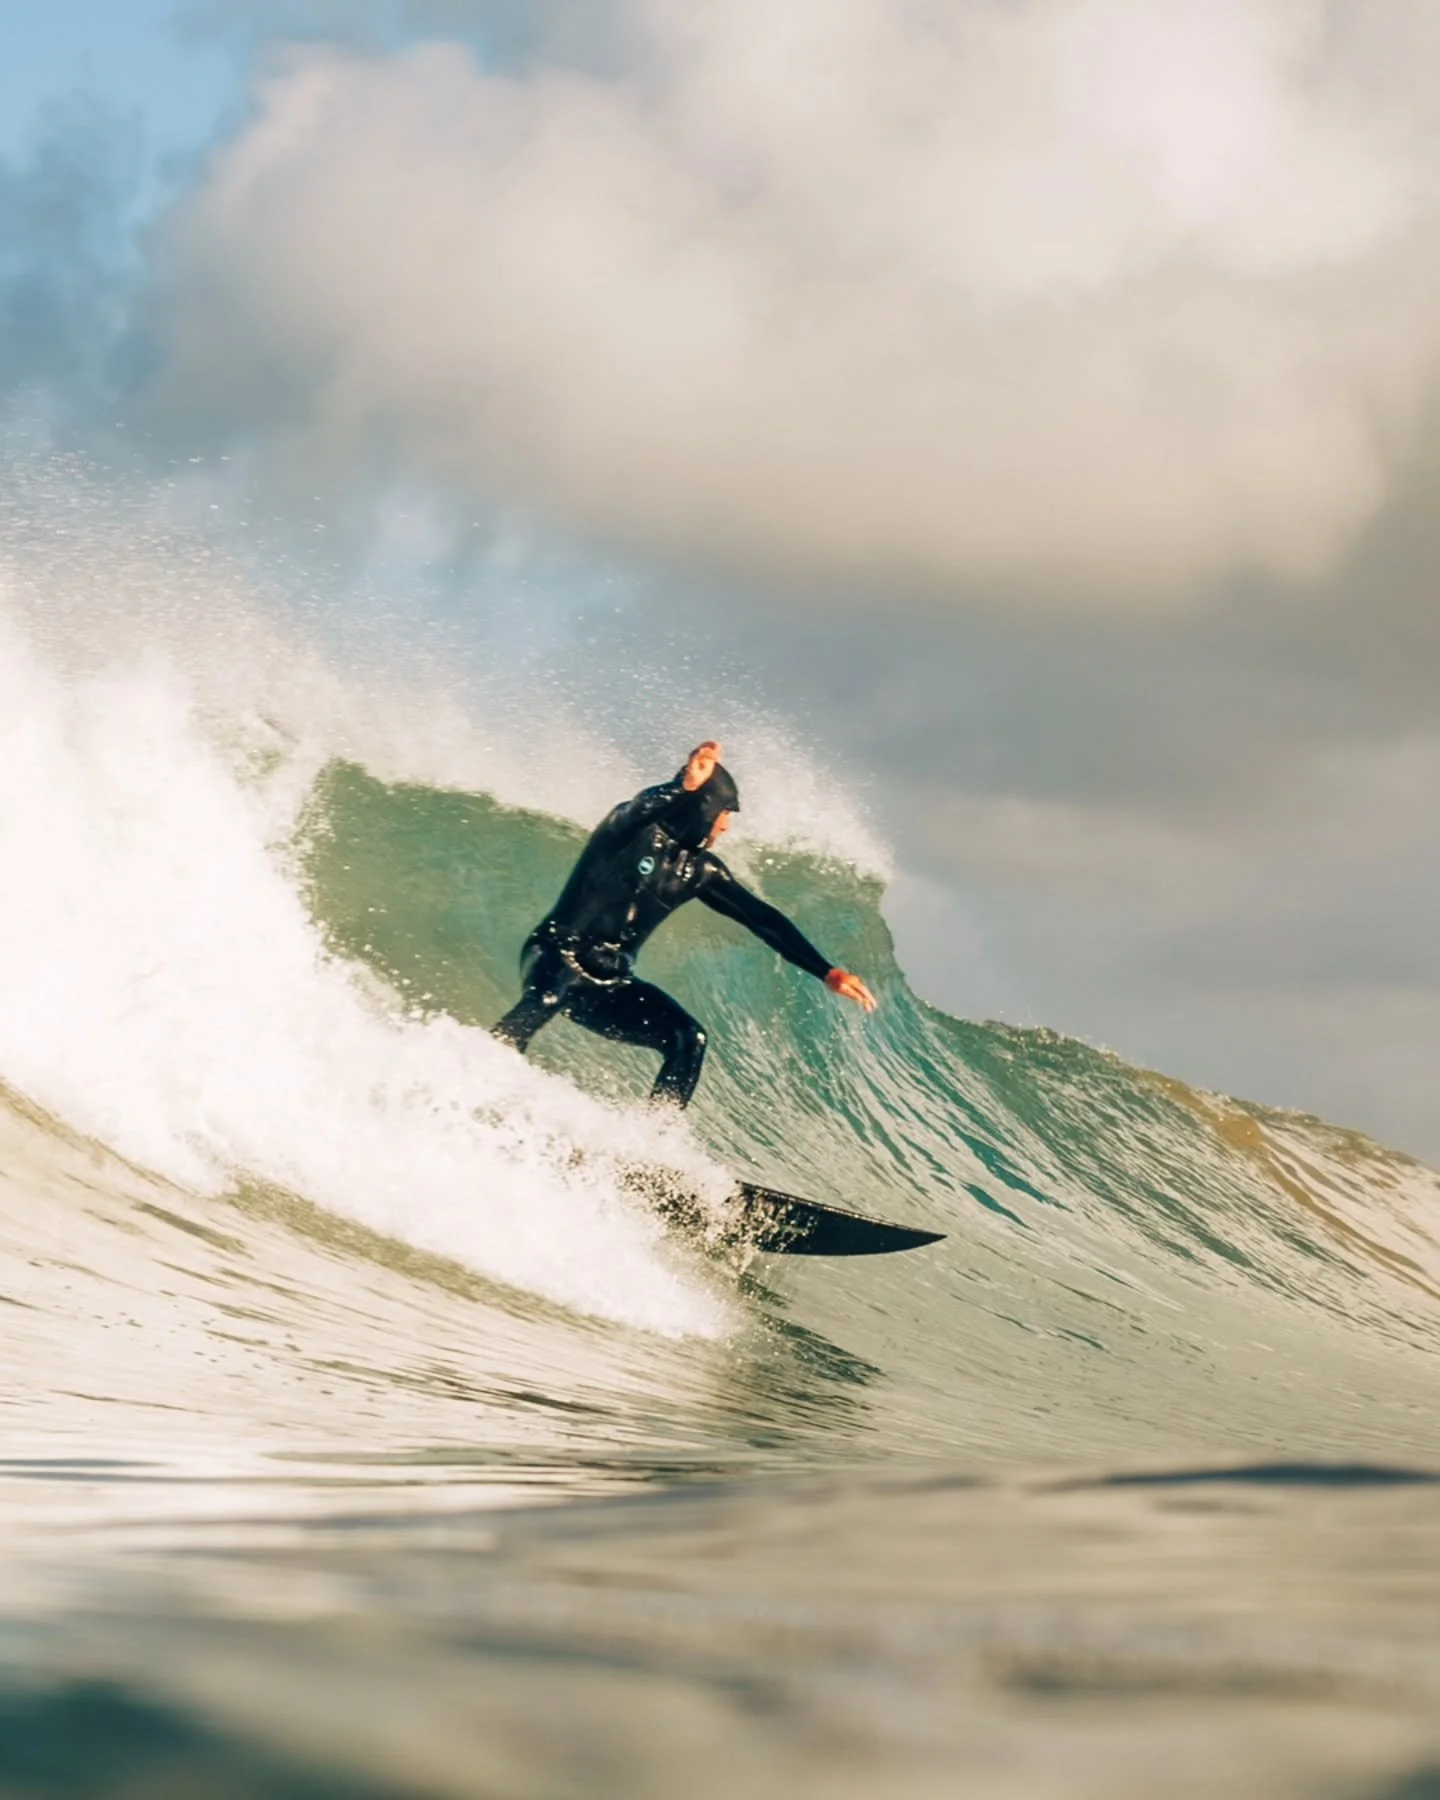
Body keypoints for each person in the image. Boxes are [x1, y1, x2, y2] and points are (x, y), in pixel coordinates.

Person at [491, 741, 876, 1107]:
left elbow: (763, 920)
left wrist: (826, 972)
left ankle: (653, 1145)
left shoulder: (699, 871)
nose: (725, 827)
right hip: (557, 954)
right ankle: (480, 1076)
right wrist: (682, 785)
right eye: (725, 813)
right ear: (705, 809)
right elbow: (638, 808)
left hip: (607, 984)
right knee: (546, 997)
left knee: (688, 1038)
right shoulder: (629, 831)